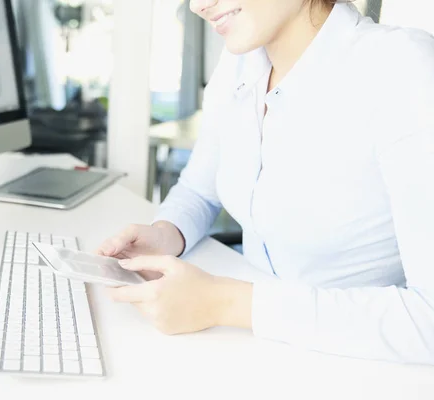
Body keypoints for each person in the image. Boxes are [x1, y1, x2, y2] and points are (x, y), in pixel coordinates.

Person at [96, 0, 434, 365]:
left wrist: (223, 302)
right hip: (258, 352)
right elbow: (198, 191)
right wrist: (164, 234)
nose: (198, 6)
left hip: (359, 365)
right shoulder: (241, 63)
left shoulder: (403, 68)